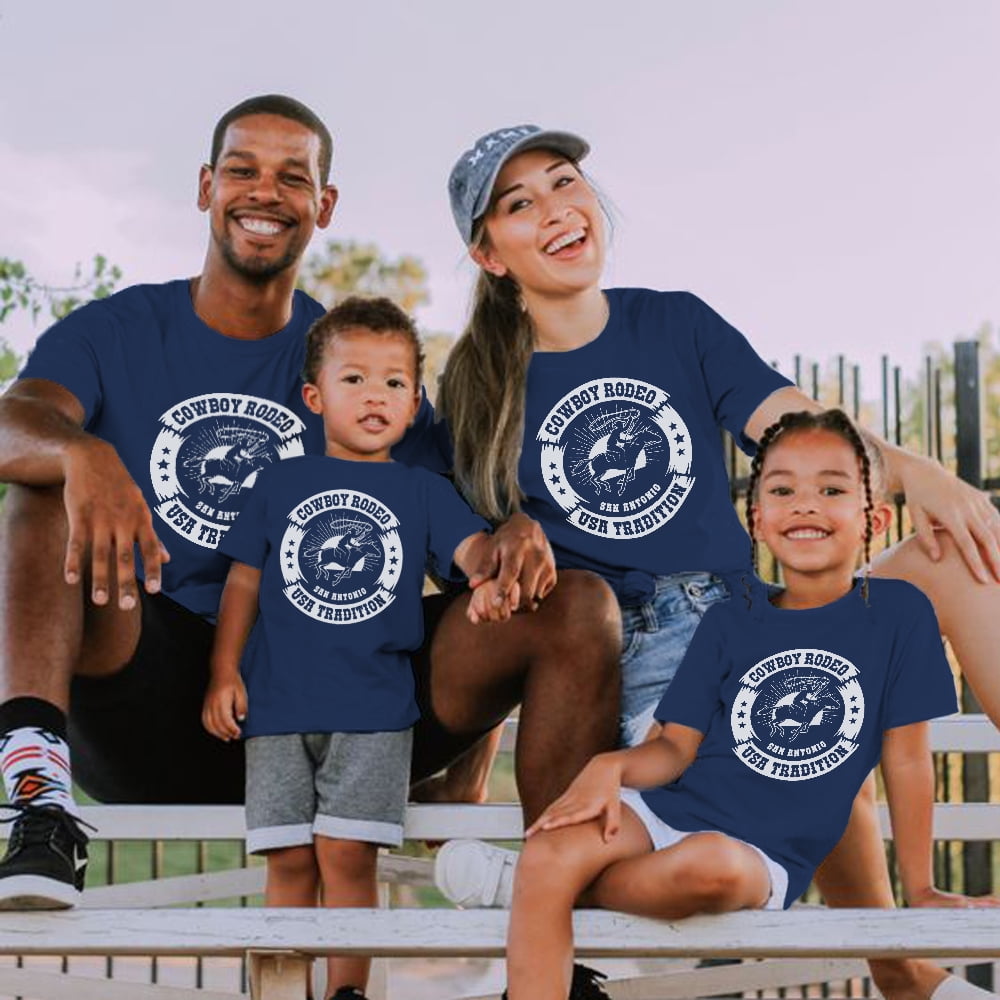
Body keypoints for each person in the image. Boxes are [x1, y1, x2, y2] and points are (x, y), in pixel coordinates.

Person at [0, 96, 620, 911]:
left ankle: (555, 921)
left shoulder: (354, 364)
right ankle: (40, 811)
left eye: (293, 177)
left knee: (576, 603)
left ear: (323, 206)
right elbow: (15, 422)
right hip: (148, 701)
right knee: (43, 494)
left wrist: (511, 529)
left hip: (335, 702)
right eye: (242, 170)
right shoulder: (117, 331)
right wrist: (82, 451)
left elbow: (468, 533)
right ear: (204, 188)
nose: (265, 192)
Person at [431, 124, 1000, 1000]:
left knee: (952, 559)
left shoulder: (676, 323)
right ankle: (905, 971)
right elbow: (489, 591)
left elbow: (795, 429)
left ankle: (903, 967)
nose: (556, 210)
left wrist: (926, 478)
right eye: (519, 204)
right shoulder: (480, 393)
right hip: (654, 659)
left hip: (751, 605)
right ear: (489, 252)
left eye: (564, 182)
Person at [504, 409, 997, 1000]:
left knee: (709, 865)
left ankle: (548, 887)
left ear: (876, 519)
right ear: (757, 520)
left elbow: (909, 761)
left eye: (832, 489)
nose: (806, 504)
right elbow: (674, 747)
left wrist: (920, 887)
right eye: (784, 489)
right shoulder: (728, 621)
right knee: (551, 853)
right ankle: (547, 885)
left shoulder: (897, 617)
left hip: (758, 851)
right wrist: (609, 767)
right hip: (663, 810)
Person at [202, 297, 506, 1000]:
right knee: (287, 862)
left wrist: (500, 553)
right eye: (355, 379)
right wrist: (223, 671)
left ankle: (348, 993)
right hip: (276, 710)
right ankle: (281, 989)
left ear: (416, 400)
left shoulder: (421, 491)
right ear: (314, 397)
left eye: (395, 382)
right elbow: (243, 582)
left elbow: (474, 551)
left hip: (373, 714)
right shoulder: (280, 483)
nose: (377, 395)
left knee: (346, 858)